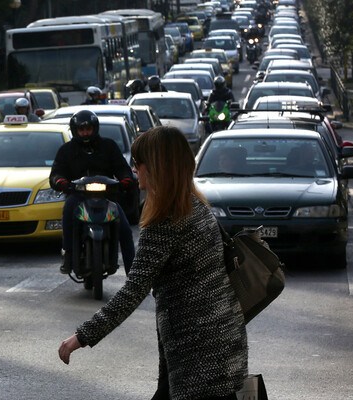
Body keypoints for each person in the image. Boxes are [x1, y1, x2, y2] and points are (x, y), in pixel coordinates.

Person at [58, 126, 248, 400]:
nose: (134, 170)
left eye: (138, 163)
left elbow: (133, 290)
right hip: (222, 340)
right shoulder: (197, 207)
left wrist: (81, 337)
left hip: (197, 354)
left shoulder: (165, 222)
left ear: (156, 167)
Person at [49, 110, 135, 275]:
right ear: (75, 131)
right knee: (68, 210)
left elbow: (123, 168)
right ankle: (68, 255)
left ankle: (133, 273)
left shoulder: (109, 146)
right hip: (78, 196)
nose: (85, 133)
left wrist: (126, 180)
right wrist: (61, 182)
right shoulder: (66, 150)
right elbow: (56, 173)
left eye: (88, 129)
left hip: (107, 197)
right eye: (81, 129)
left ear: (95, 129)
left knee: (125, 229)